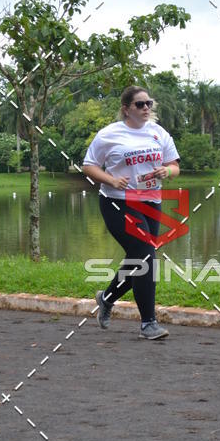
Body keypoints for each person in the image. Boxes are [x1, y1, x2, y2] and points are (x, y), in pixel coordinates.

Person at [82, 85, 181, 340]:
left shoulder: (158, 133)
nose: (146, 108)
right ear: (126, 109)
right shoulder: (109, 135)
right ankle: (149, 324)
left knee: (140, 258)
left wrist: (166, 172)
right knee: (146, 257)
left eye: (149, 103)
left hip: (150, 202)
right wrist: (111, 180)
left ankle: (106, 299)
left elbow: (174, 166)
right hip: (118, 202)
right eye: (140, 104)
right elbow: (89, 166)